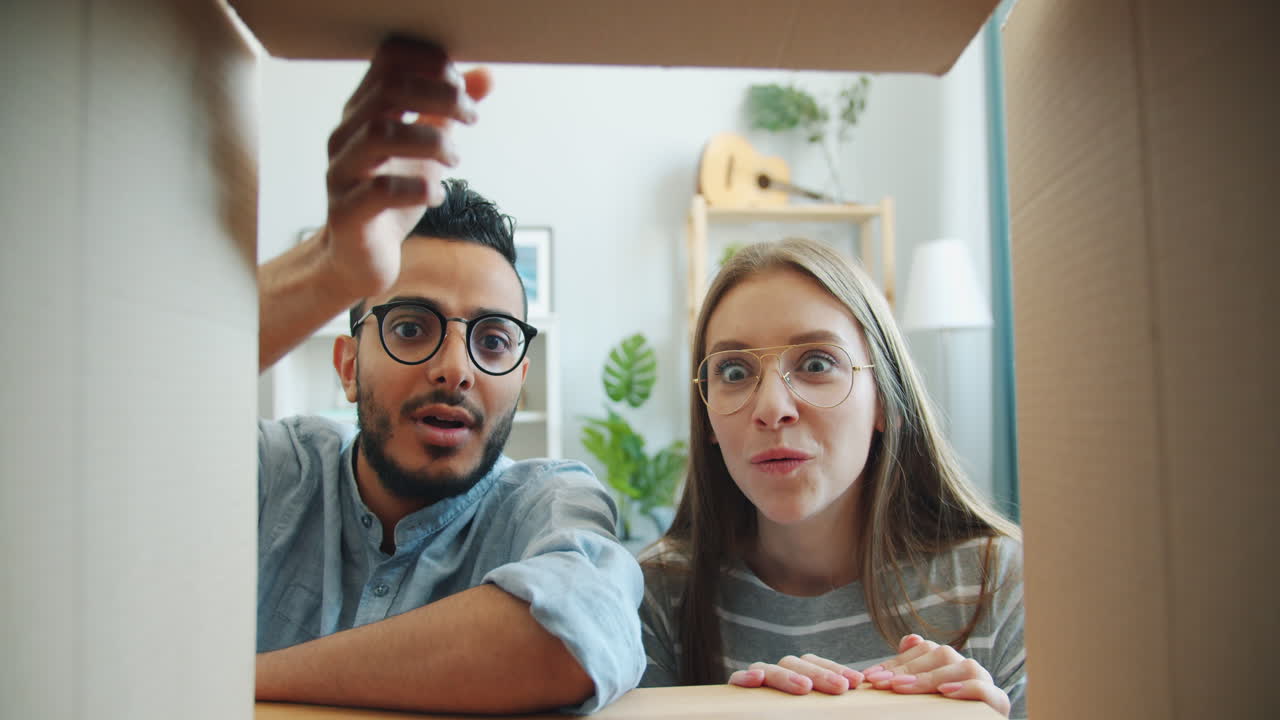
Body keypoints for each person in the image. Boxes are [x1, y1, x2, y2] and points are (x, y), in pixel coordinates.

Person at [254, 38, 643, 715]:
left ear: (518, 379)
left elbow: (572, 637)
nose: (455, 369)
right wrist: (328, 268)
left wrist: (230, 679)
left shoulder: (546, 502)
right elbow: (101, 414)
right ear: (348, 366)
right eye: (410, 327)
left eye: (492, 341)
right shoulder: (273, 474)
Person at [639, 237, 1026, 717]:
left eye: (817, 364)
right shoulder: (655, 596)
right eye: (734, 371)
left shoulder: (1002, 583)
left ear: (884, 400)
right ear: (708, 419)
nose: (772, 409)